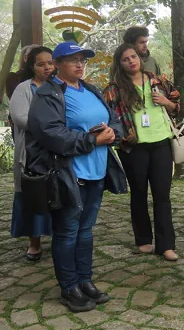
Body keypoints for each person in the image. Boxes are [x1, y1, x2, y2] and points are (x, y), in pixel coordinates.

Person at [26, 42, 125, 313]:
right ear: (57, 63)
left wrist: (112, 133)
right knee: (68, 231)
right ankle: (69, 287)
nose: (80, 65)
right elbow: (51, 134)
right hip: (68, 174)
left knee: (86, 230)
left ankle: (85, 280)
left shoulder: (91, 89)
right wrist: (91, 140)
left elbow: (115, 120)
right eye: (73, 60)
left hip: (96, 172)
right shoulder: (49, 94)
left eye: (82, 60)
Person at [104, 43, 180, 261]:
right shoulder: (114, 88)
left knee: (162, 195)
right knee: (138, 194)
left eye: (134, 56)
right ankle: (144, 240)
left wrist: (166, 102)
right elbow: (107, 115)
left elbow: (178, 104)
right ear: (120, 64)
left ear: (140, 58)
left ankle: (166, 245)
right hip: (133, 146)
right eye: (125, 59)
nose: (131, 61)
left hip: (161, 143)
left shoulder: (158, 81)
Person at [9, 46, 54, 261]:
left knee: (58, 192)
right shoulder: (24, 89)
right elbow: (20, 118)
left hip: (55, 150)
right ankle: (34, 242)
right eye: (40, 63)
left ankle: (61, 236)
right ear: (32, 66)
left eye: (50, 63)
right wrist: (52, 126)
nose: (47, 67)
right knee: (33, 193)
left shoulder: (59, 86)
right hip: (31, 151)